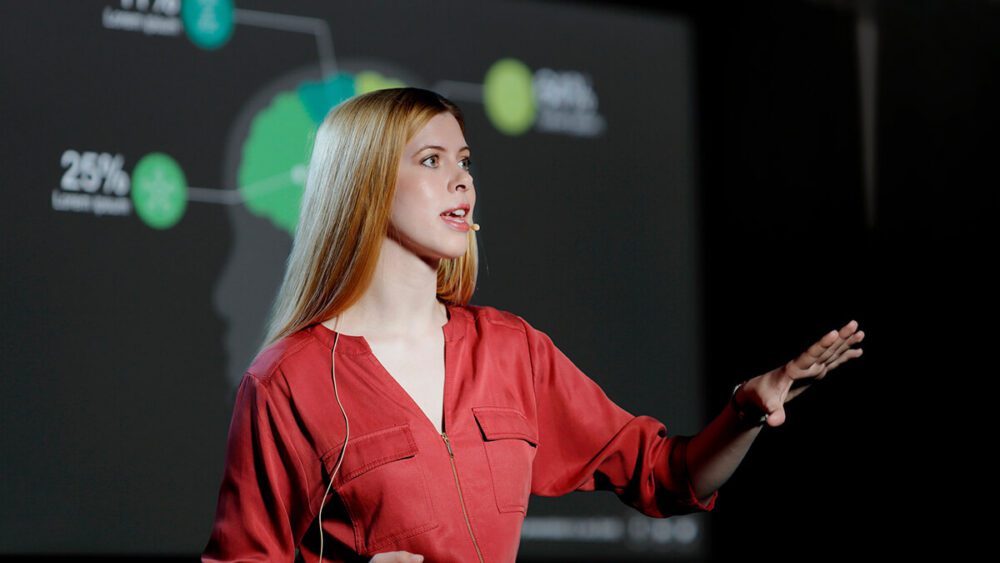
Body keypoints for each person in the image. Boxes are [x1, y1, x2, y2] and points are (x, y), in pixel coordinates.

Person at [201, 87, 865, 563]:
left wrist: (746, 411)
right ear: (364, 185)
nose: (461, 181)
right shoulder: (285, 381)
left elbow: (665, 473)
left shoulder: (513, 349)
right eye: (431, 161)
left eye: (464, 162)